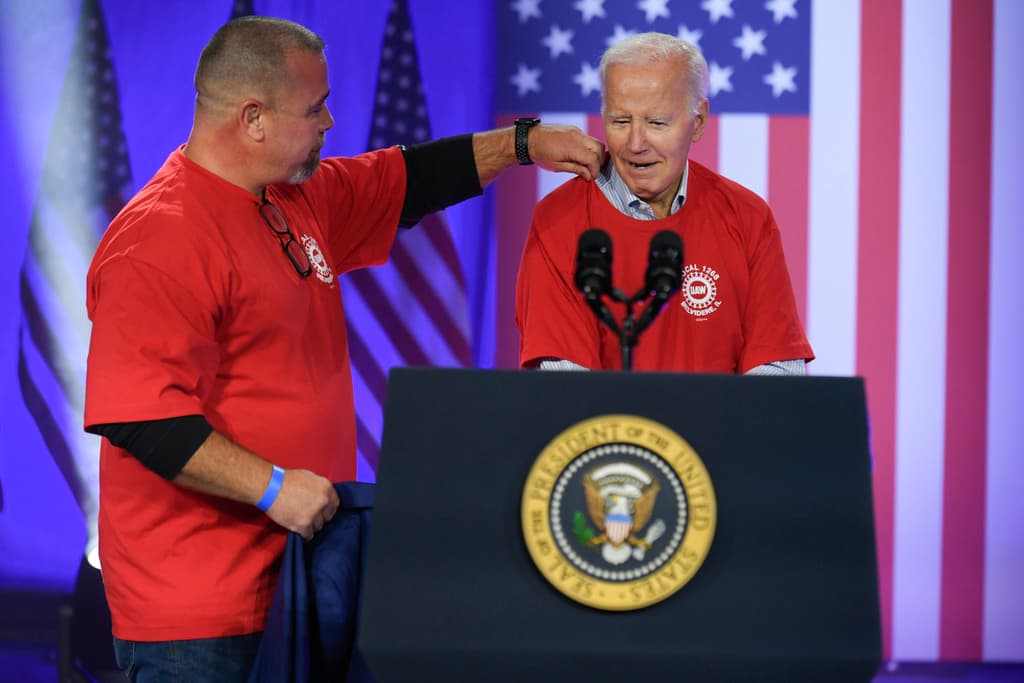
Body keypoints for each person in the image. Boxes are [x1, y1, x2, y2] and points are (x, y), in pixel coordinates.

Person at [83, 15, 604, 683]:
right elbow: (142, 420)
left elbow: (407, 179)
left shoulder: (291, 198)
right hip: (200, 617)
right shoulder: (160, 240)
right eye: (315, 108)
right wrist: (274, 487)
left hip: (300, 581)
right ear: (252, 118)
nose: (330, 121)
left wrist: (525, 143)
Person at [515, 33, 813, 374]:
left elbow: (778, 371)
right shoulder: (558, 219)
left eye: (656, 123)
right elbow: (563, 386)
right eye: (620, 121)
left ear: (697, 122)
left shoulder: (747, 217)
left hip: (721, 414)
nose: (635, 144)